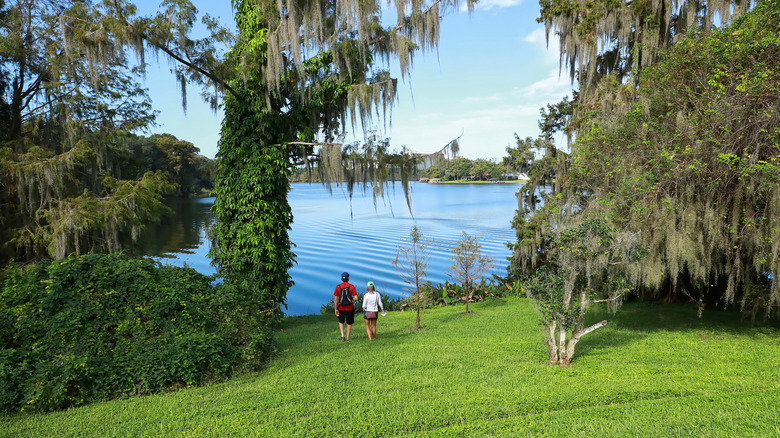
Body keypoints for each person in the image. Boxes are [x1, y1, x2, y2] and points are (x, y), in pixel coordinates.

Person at [333, 271, 358, 341]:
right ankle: (347, 338)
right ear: (348, 278)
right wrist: (350, 298)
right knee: (349, 322)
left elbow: (336, 299)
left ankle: (342, 336)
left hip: (341, 307)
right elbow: (356, 298)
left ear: (341, 278)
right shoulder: (351, 287)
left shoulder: (338, 287)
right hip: (350, 308)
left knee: (341, 321)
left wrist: (335, 308)